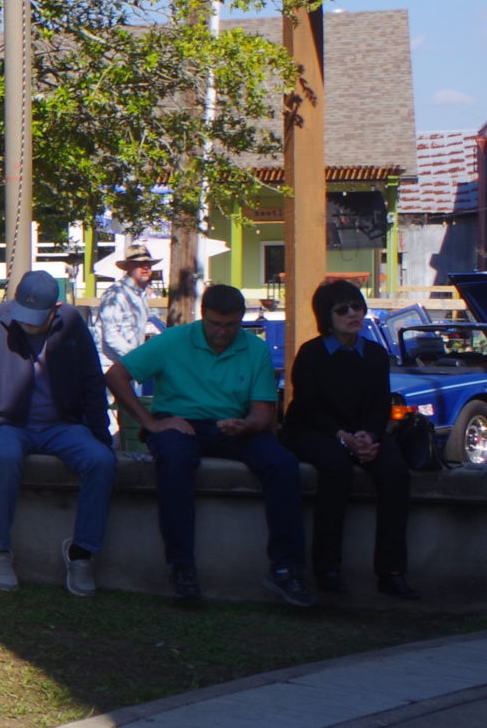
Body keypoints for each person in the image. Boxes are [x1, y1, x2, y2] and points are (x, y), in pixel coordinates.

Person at [106, 283, 314, 608]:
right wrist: (151, 422)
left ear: (241, 319)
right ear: (203, 316)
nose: (222, 332)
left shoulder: (255, 348)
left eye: (231, 325)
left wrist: (246, 425)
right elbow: (116, 375)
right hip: (180, 423)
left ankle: (286, 569)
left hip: (234, 425)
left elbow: (263, 413)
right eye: (215, 324)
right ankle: (181, 566)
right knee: (174, 461)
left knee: (283, 465)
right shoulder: (174, 339)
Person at [0, 271, 116, 595]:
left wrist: (101, 437)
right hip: (8, 423)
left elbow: (92, 381)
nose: (26, 323)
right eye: (22, 314)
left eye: (35, 318)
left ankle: (82, 553)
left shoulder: (72, 322)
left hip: (62, 424)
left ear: (55, 308)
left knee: (102, 461)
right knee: (4, 457)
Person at [282, 278, 414, 600]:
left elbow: (380, 404)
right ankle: (326, 568)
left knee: (395, 473)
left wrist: (368, 436)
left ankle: (391, 572)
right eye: (343, 310)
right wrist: (342, 437)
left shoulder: (375, 354)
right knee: (336, 468)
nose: (353, 314)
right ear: (327, 316)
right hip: (313, 430)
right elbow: (308, 406)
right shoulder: (311, 353)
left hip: (361, 431)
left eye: (358, 307)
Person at [96, 248, 162, 368]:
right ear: (129, 267)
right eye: (140, 264)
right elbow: (111, 335)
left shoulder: (141, 295)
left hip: (129, 364)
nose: (146, 267)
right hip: (111, 365)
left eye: (148, 264)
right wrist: (137, 357)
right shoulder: (116, 294)